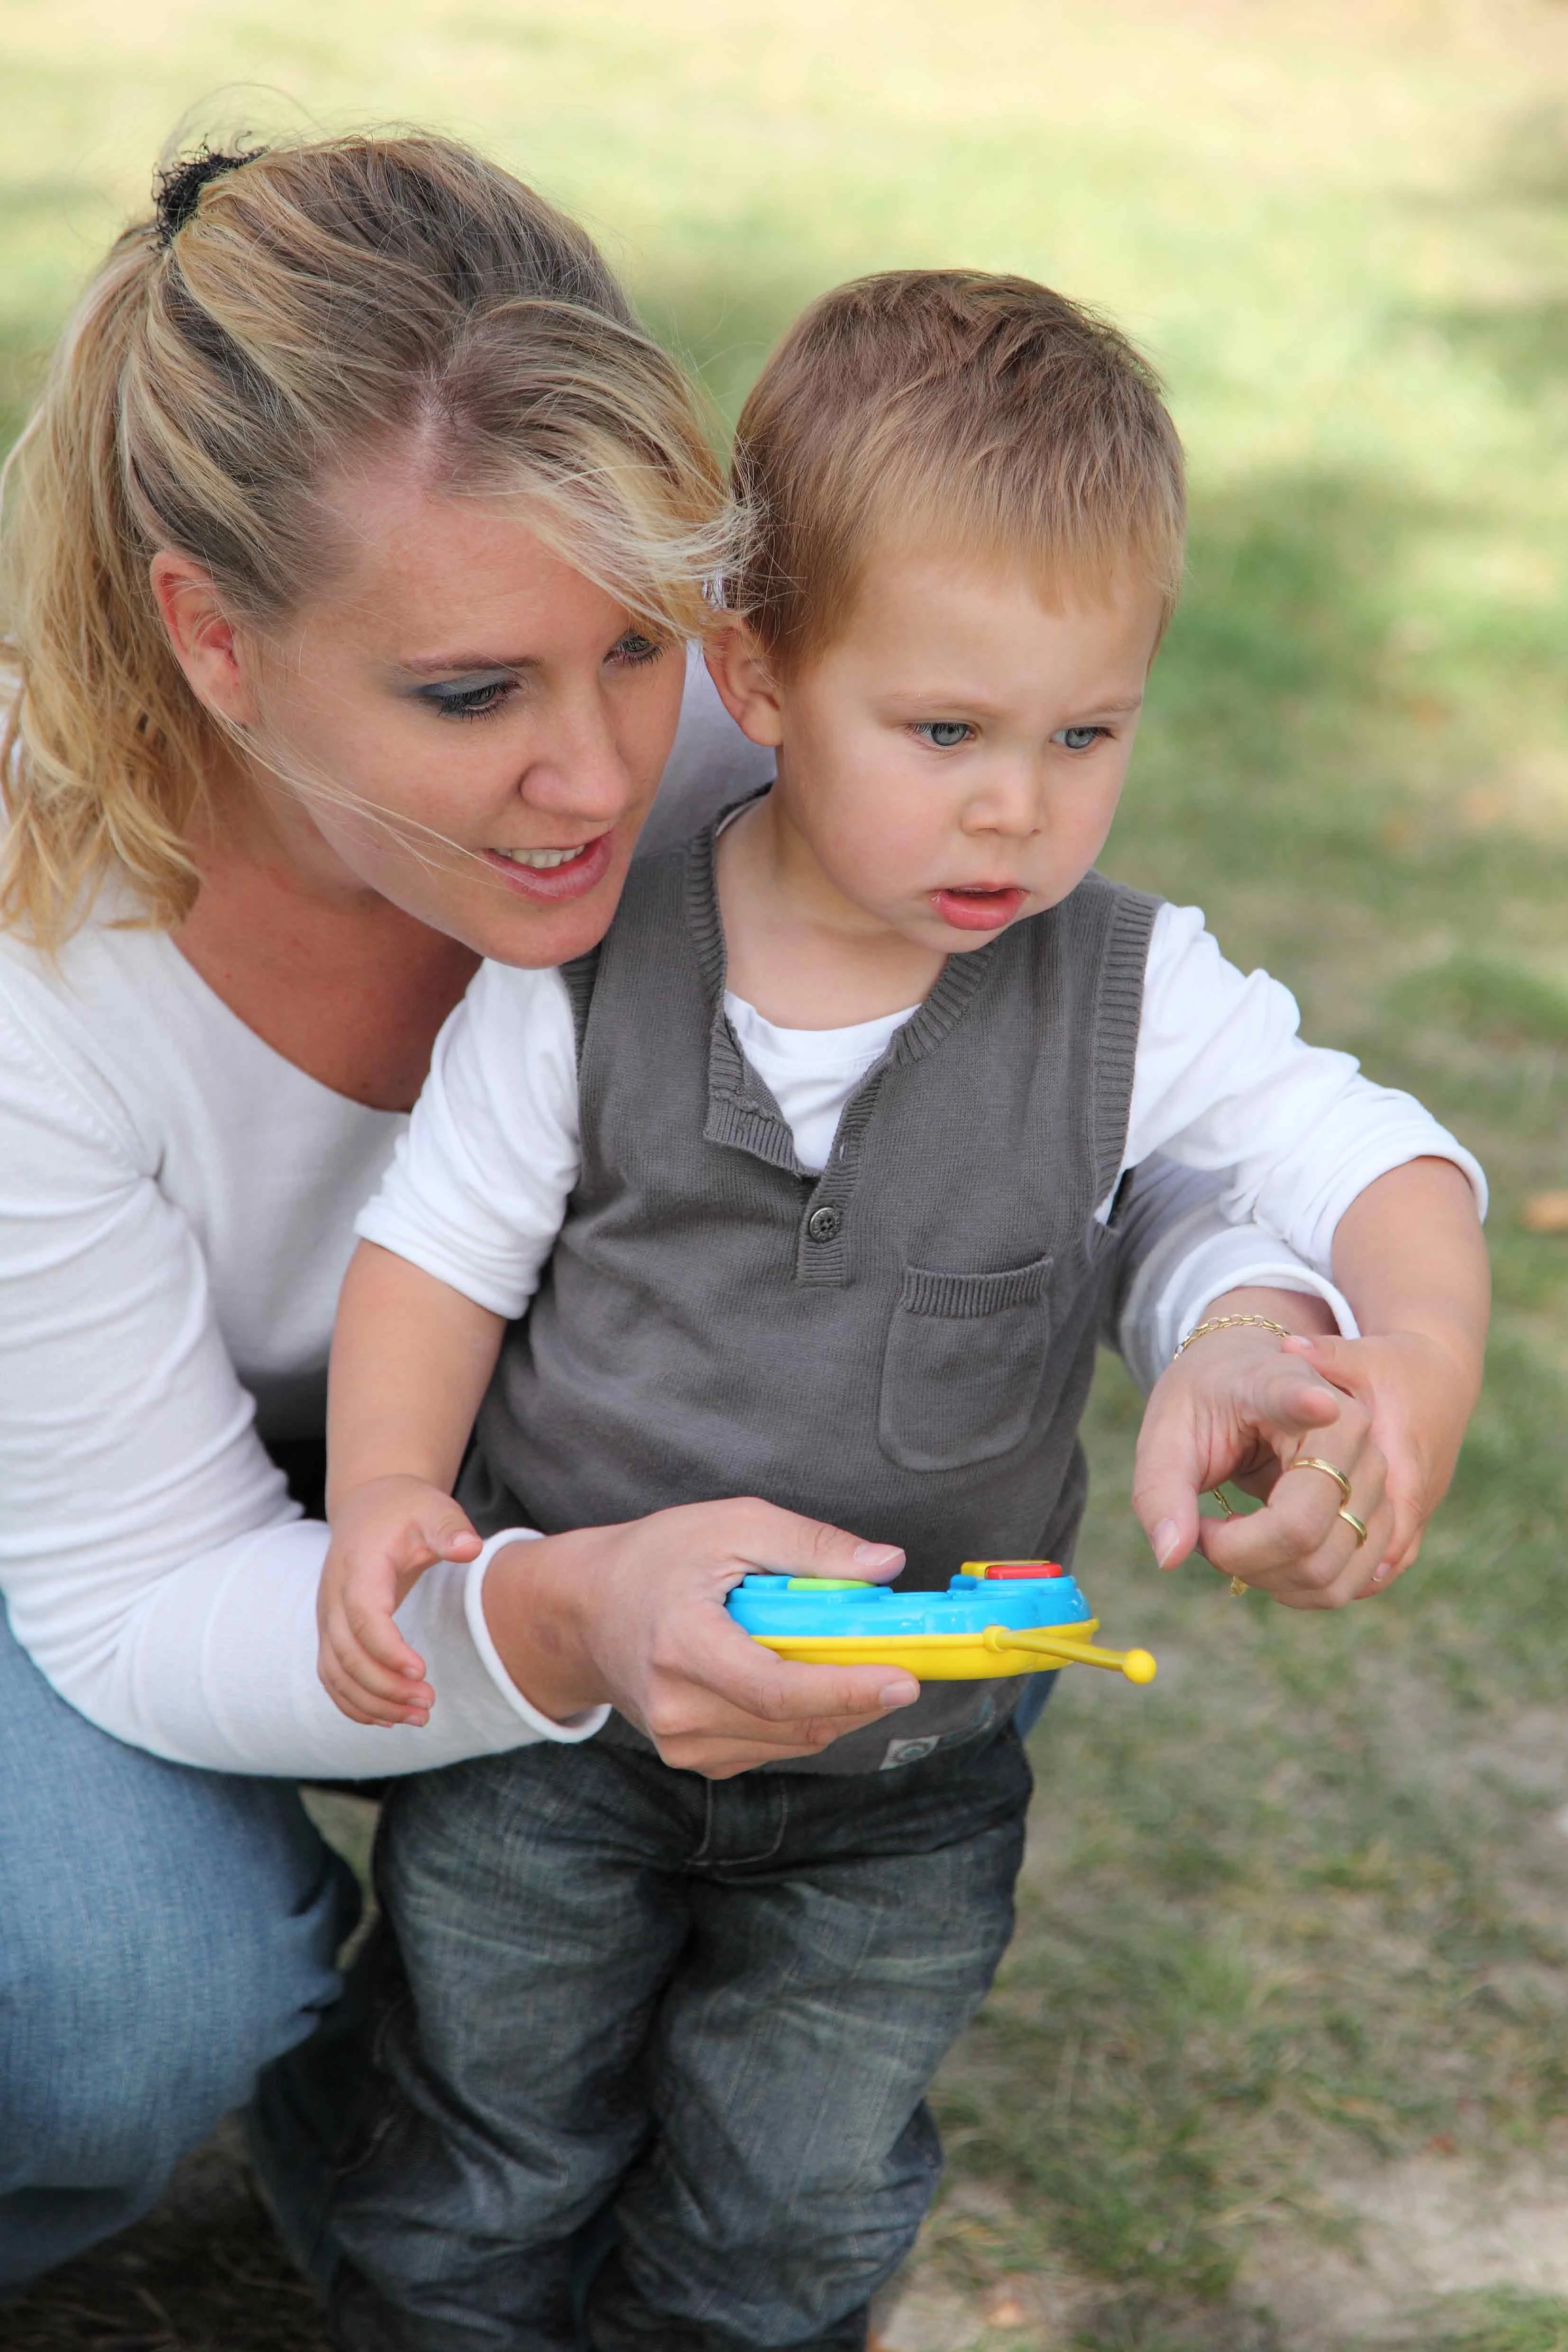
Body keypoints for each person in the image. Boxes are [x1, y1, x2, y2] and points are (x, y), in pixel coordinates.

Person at [0, 135, 1405, 2299]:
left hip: (553, 1476)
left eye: (640, 645)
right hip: (90, 1529)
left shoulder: (751, 767)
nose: (599, 776)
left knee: (904, 1508)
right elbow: (136, 1591)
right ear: (217, 640)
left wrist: (1249, 1307)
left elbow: (1093, 1114)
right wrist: (561, 1619)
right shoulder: (43, 965)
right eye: (470, 694)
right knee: (118, 1996)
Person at [314, 271, 1489, 2350]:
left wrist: (1413, 1351)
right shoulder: (588, 970)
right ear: (758, 673)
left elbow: (1373, 1155)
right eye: (944, 732)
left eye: (1084, 735)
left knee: (793, 2191)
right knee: (487, 2143)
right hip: (561, 1734)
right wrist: (391, 1486)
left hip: (906, 1767)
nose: (1016, 806)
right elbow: (441, 1251)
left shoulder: (1129, 993)